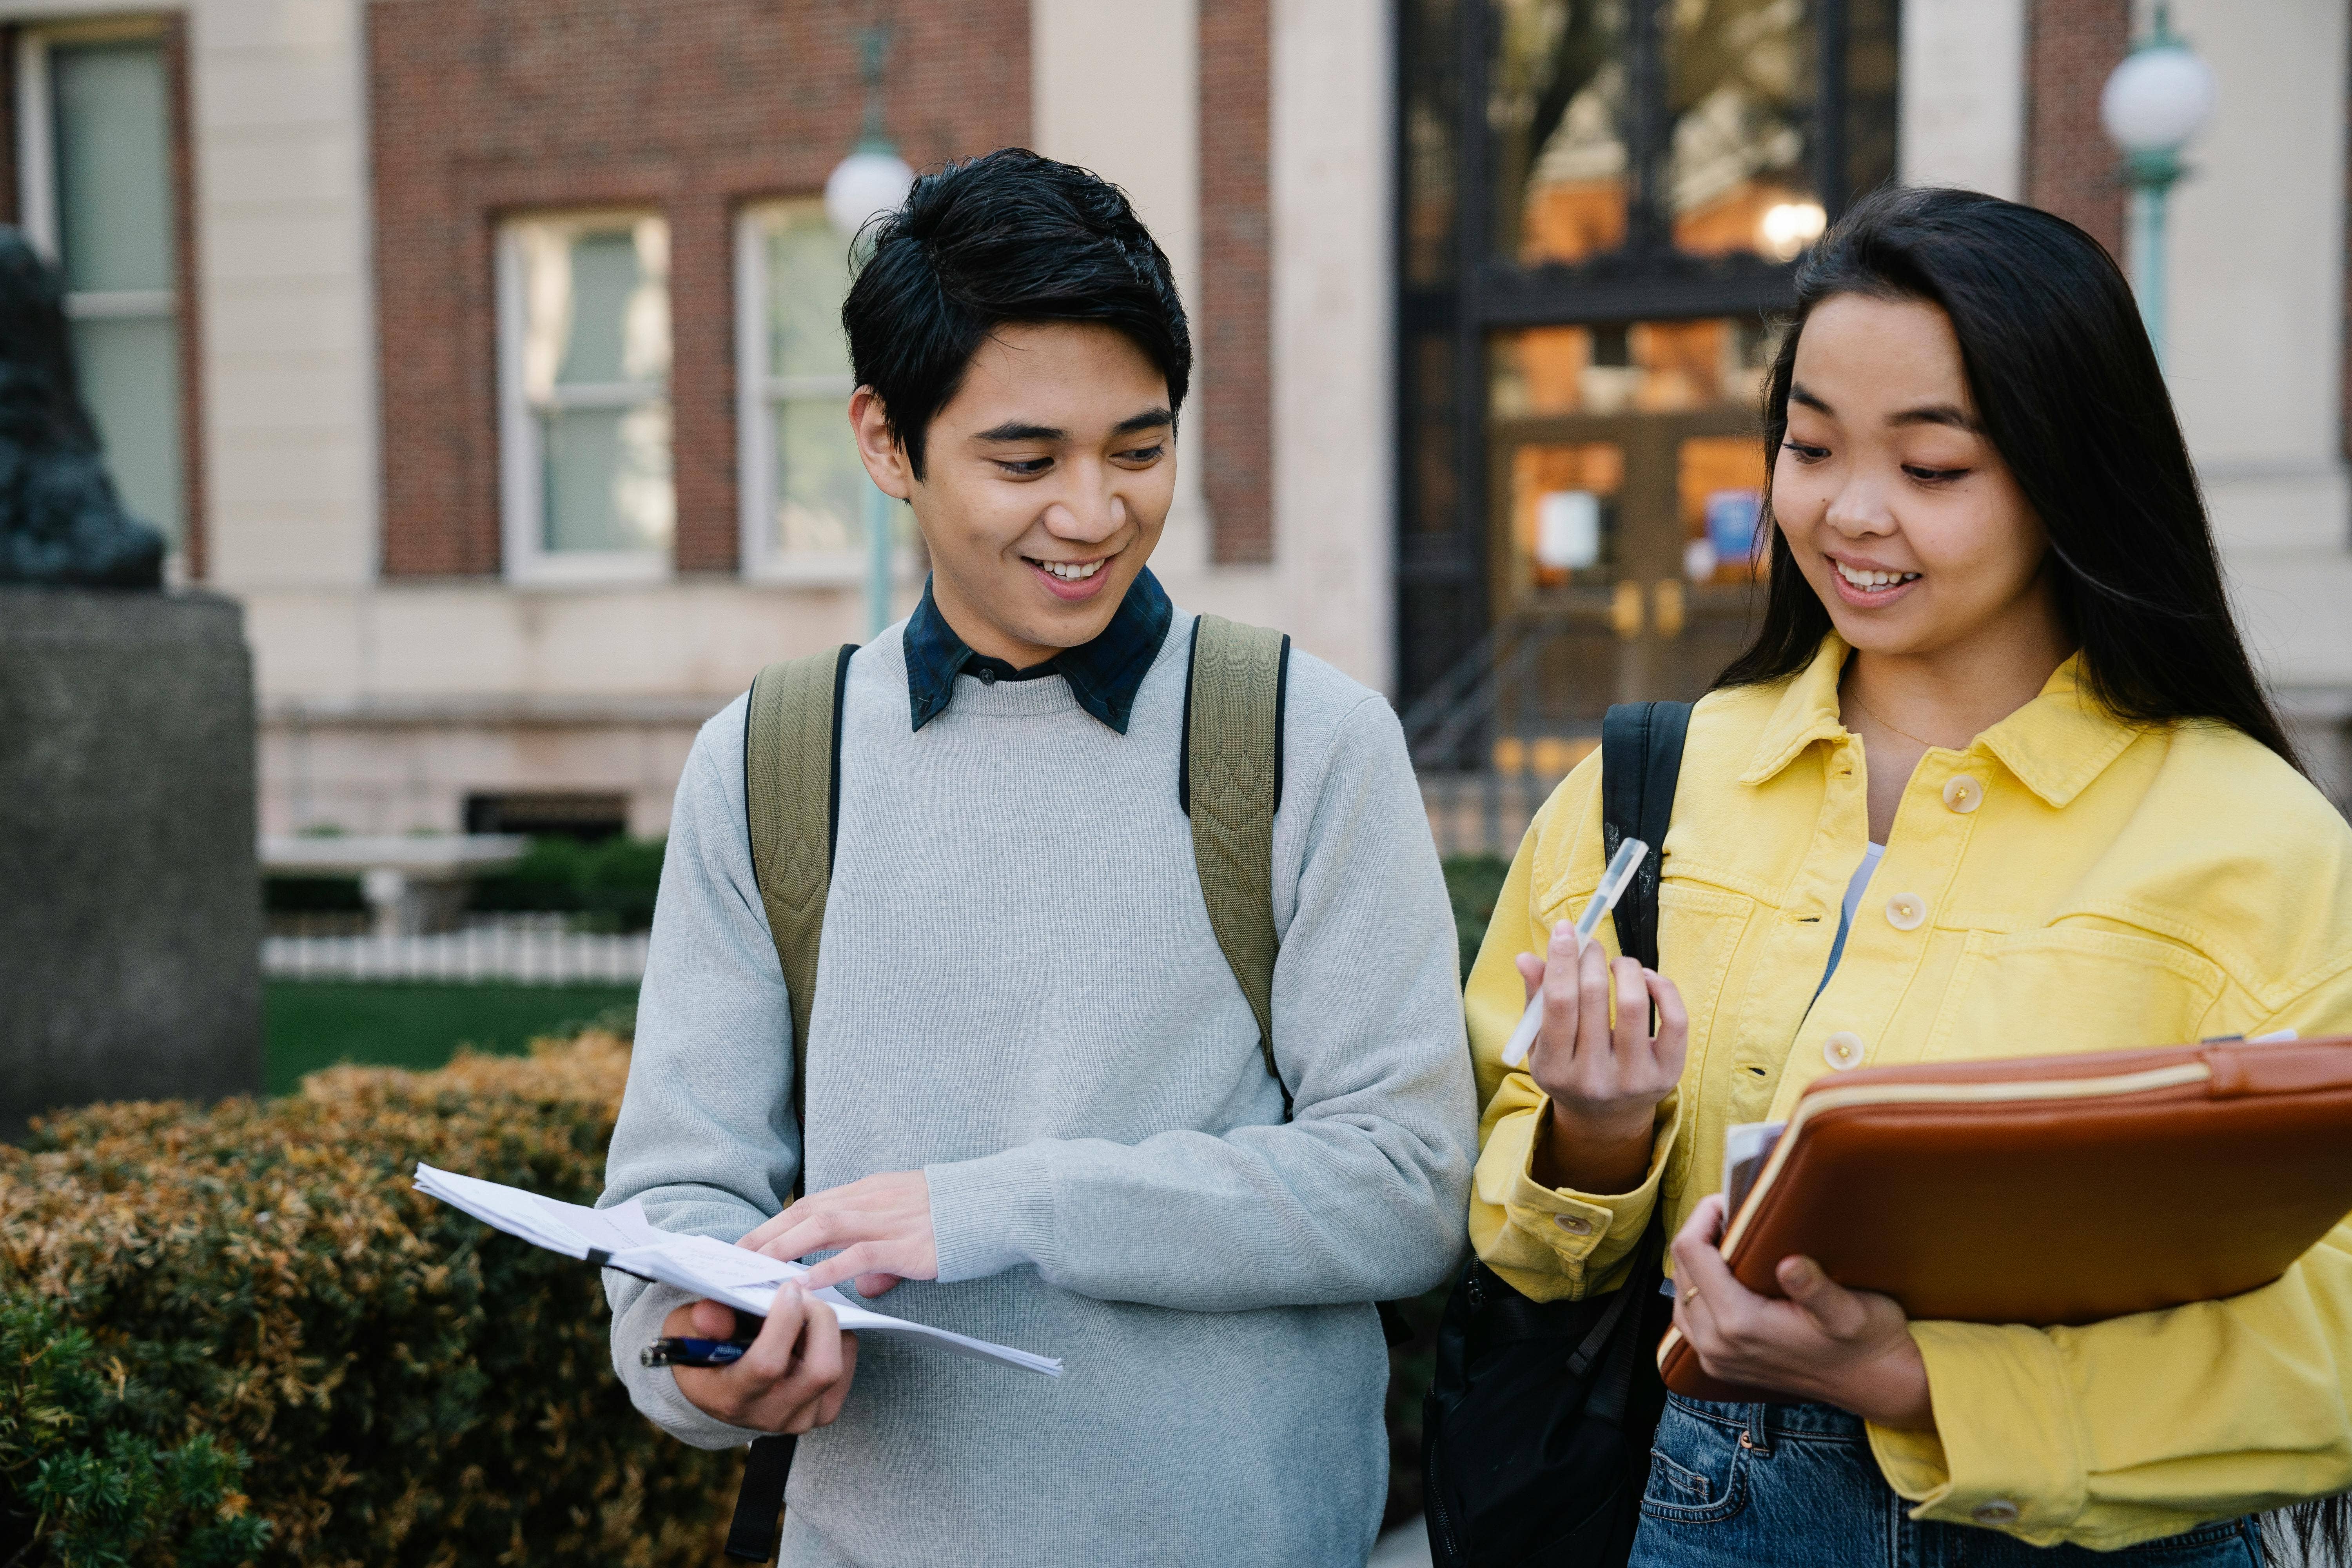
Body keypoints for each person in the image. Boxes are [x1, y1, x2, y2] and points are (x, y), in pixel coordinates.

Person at [600, 148, 1476, 1566]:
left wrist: (991, 1211)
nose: (1093, 513)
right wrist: (702, 1356)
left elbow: (1407, 1183)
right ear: (887, 443)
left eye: (1140, 449)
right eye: (1026, 461)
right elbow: (675, 1204)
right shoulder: (771, 761)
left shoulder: (1308, 739)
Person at [1465, 185, 2352, 1566]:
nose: (1851, 513)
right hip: (1699, 1506)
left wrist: (1917, 1385)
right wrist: (1595, 1135)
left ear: (2074, 471)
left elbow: (2335, 1337)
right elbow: (1516, 1247)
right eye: (1810, 447)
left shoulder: (2262, 844)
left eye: (1933, 469)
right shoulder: (1650, 789)